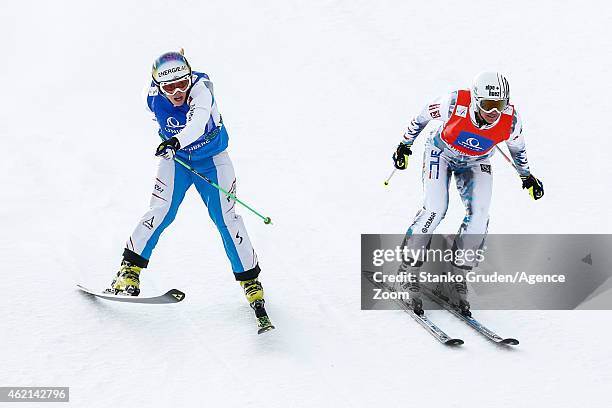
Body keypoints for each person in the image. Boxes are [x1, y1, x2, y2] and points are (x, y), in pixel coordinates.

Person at [106, 50, 273, 332]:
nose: (177, 92)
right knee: (161, 211)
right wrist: (170, 144)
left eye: (182, 83)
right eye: (169, 87)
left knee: (226, 219)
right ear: (158, 86)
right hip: (178, 162)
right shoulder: (152, 97)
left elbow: (197, 122)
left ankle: (250, 281)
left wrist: (174, 141)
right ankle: (128, 271)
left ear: (190, 76)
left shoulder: (201, 91)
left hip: (212, 162)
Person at [392, 71, 544, 316]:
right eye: (488, 105)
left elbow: (518, 148)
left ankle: (456, 277)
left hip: (476, 162)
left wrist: (526, 176)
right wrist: (405, 144)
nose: (494, 112)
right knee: (435, 208)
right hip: (441, 152)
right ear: (475, 100)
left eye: (500, 105)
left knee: (480, 216)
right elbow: (422, 116)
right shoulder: (453, 103)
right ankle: (407, 271)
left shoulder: (511, 120)